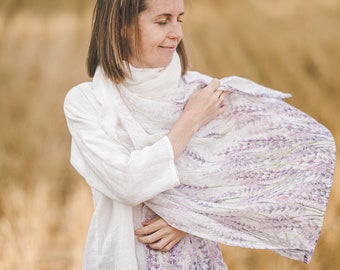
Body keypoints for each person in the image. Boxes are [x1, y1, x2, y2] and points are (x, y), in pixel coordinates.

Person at [64, 0, 335, 269]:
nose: (177, 33)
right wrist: (191, 119)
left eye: (179, 19)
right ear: (121, 25)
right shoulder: (88, 103)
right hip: (119, 259)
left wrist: (188, 219)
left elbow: (295, 156)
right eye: (162, 21)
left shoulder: (200, 92)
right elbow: (129, 183)